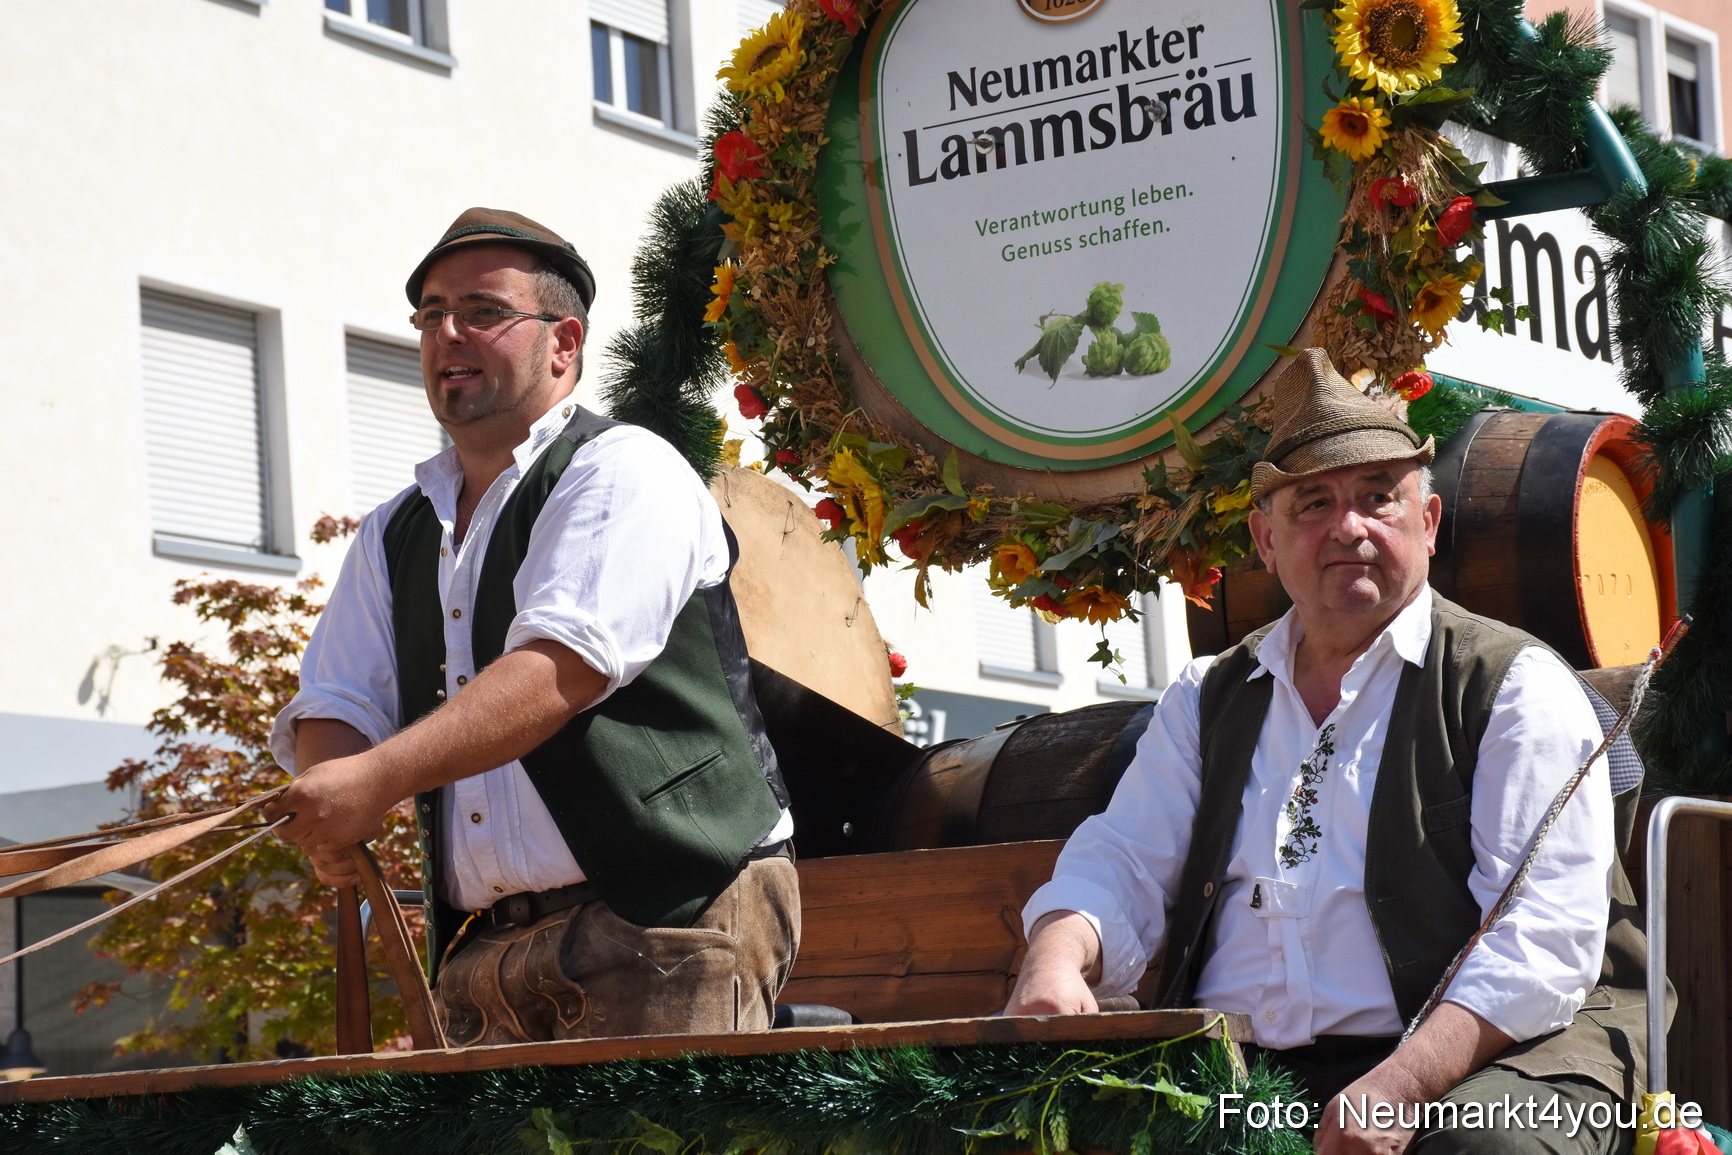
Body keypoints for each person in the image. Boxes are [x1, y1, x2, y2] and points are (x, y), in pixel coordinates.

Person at [1005, 349, 1654, 1154]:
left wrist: (1405, 1083)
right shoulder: (1207, 696)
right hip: (1247, 1076)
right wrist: (1056, 957)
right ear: (1265, 540)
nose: (1349, 526)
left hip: (1499, 1056)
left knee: (1487, 1149)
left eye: (1379, 497)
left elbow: (1544, 939)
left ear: (1429, 522)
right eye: (1313, 503)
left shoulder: (1513, 684)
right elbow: (1125, 858)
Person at [265, 208, 798, 1044]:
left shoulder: (625, 468)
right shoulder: (393, 531)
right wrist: (331, 796)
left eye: (481, 311)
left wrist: (371, 783)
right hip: (484, 943)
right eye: (431, 315)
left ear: (564, 343)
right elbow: (336, 699)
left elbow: (559, 669)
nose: (448, 333)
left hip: (670, 913)